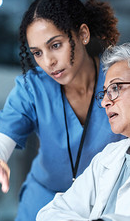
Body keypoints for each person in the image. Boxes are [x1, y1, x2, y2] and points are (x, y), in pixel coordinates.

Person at [0, 0, 125, 220]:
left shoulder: (119, 82)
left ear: (83, 34)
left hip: (104, 203)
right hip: (42, 202)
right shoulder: (33, 88)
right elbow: (0, 139)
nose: (48, 62)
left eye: (55, 45)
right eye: (37, 53)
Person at [36, 42, 130, 221]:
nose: (105, 102)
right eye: (104, 93)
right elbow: (49, 214)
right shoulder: (107, 158)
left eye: (116, 88)